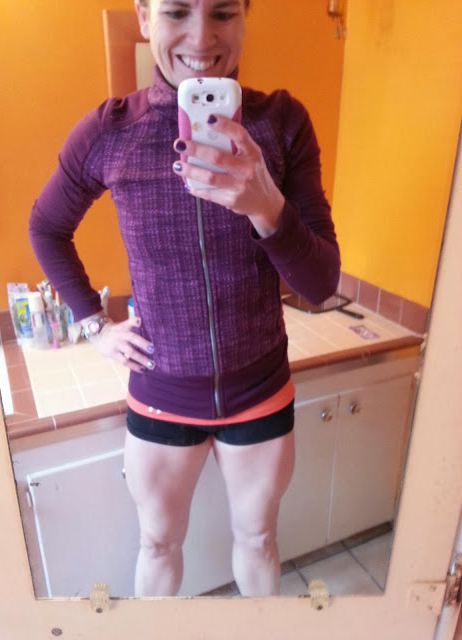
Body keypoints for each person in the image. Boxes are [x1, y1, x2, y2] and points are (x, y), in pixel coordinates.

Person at [29, 0, 340, 597]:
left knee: (259, 541)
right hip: (162, 393)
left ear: (246, 16)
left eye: (223, 12)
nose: (201, 37)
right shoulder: (111, 132)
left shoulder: (283, 124)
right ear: (145, 16)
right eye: (176, 12)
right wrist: (94, 324)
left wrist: (266, 208)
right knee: (157, 544)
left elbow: (320, 282)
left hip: (260, 387)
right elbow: (46, 227)